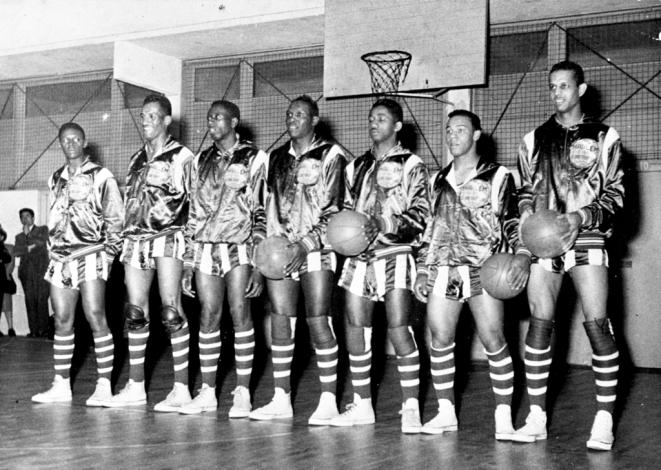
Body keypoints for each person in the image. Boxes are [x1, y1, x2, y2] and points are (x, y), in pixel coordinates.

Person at [511, 61, 624, 451]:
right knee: (540, 326)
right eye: (552, 87)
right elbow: (524, 190)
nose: (557, 93)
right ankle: (537, 416)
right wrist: (525, 210)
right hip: (544, 244)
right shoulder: (533, 139)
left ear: (581, 90)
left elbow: (617, 197)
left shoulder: (605, 137)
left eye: (564, 86)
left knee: (597, 326)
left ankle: (604, 419)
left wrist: (582, 215)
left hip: (587, 237)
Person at [412, 110, 530, 439]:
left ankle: (504, 418)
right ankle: (446, 413)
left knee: (494, 339)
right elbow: (428, 228)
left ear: (476, 134)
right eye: (449, 130)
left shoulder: (497, 176)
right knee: (440, 340)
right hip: (443, 267)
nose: (453, 136)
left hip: (483, 268)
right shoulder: (437, 179)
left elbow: (510, 220)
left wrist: (521, 255)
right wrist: (423, 267)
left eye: (460, 130)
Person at [330, 98, 430, 433]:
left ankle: (411, 406)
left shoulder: (412, 164)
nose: (374, 123)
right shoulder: (355, 165)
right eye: (371, 118)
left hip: (395, 255)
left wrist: (383, 223)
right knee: (356, 329)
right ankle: (362, 404)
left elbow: (421, 215)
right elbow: (343, 210)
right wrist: (342, 233)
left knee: (400, 329)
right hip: (359, 257)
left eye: (382, 118)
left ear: (397, 126)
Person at [249, 95, 346, 425]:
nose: (292, 118)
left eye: (300, 114)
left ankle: (329, 400)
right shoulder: (275, 157)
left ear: (315, 120)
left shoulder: (331, 155)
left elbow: (334, 210)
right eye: (289, 114)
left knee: (318, 319)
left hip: (316, 250)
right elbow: (263, 205)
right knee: (280, 318)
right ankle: (281, 398)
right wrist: (263, 240)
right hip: (279, 251)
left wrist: (304, 245)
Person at [105, 95, 195, 412]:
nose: (146, 120)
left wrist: (192, 257)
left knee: (171, 312)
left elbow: (195, 206)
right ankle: (136, 386)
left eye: (153, 116)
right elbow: (130, 203)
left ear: (167, 120)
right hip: (135, 239)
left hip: (169, 236)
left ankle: (182, 389)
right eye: (143, 115)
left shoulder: (183, 156)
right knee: (135, 312)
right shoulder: (135, 159)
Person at [179, 100, 267, 417]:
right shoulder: (199, 160)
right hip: (205, 248)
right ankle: (208, 391)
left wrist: (258, 262)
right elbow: (193, 213)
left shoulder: (255, 158)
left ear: (234, 122)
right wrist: (188, 261)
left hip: (240, 246)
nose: (212, 122)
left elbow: (262, 211)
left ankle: (242, 392)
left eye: (218, 117)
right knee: (208, 315)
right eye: (210, 117)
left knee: (240, 312)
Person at [31, 122, 124, 405]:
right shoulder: (56, 178)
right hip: (61, 257)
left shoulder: (101, 175)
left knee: (96, 316)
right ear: (60, 144)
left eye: (76, 139)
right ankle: (61, 385)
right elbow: (56, 215)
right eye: (65, 139)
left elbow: (116, 218)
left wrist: (107, 256)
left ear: (85, 143)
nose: (70, 143)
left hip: (91, 253)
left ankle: (104, 384)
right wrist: (51, 248)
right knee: (61, 320)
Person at [14, 208, 50, 338]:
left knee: (42, 301)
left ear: (33, 218)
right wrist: (28, 246)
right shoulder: (19, 236)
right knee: (30, 302)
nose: (25, 219)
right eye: (22, 217)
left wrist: (28, 237)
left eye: (27, 216)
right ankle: (34, 331)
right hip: (26, 274)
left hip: (41, 272)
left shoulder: (43, 230)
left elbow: (41, 243)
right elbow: (17, 252)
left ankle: (44, 330)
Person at [0, 227, 16, 337]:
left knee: (6, 303)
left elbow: (9, 261)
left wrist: (7, 274)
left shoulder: (8, 247)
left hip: (3, 278)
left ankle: (11, 328)